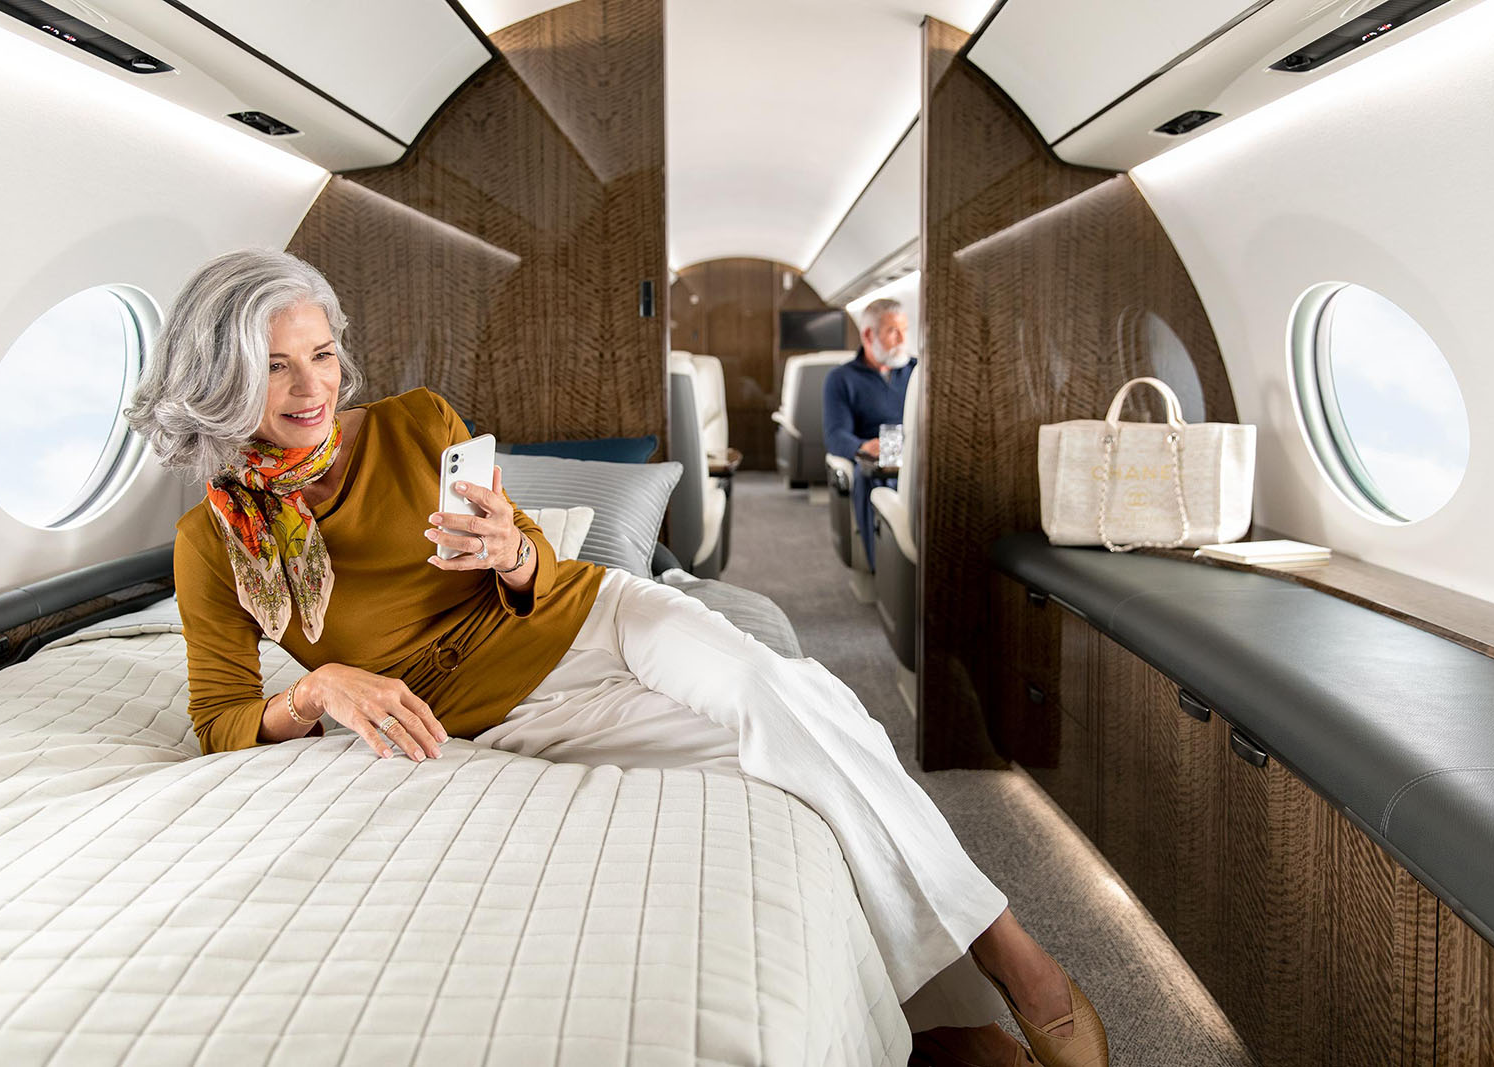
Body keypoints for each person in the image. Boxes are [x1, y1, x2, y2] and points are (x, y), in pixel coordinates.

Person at [125, 249, 1109, 1067]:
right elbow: (219, 719)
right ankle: (947, 1020)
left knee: (778, 690)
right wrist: (319, 690)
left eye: (324, 355)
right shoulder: (213, 546)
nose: (313, 388)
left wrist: (510, 547)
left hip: (595, 613)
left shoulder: (416, 421)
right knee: (807, 761)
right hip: (512, 712)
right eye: (277, 367)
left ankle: (1015, 958)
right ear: (220, 382)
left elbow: (542, 573)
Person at [822, 297, 916, 571]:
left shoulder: (917, 371)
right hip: (874, 466)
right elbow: (835, 435)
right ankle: (887, 571)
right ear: (867, 334)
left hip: (914, 459)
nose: (901, 338)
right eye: (892, 331)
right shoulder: (841, 378)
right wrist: (864, 446)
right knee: (871, 479)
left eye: (904, 330)